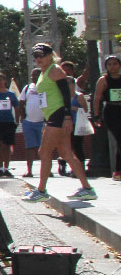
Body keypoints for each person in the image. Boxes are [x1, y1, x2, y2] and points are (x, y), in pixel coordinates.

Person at [22, 43, 96, 202]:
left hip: (59, 115)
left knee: (44, 152)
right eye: (35, 56)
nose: (38, 59)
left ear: (50, 55)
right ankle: (87, 188)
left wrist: (68, 116)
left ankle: (41, 190)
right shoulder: (43, 72)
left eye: (41, 55)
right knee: (66, 153)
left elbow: (66, 94)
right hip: (52, 116)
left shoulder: (55, 70)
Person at [91, 55, 121, 180]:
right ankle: (118, 171)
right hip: (111, 112)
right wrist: (96, 116)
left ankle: (118, 171)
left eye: (115, 63)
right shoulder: (103, 80)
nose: (112, 66)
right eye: (109, 64)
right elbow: (97, 99)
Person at [19, 68, 45, 178]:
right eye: (32, 75)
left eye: (36, 75)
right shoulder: (27, 88)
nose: (33, 77)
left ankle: (46, 170)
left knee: (44, 148)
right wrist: (22, 117)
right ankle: (29, 170)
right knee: (29, 147)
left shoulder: (46, 87)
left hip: (42, 122)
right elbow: (21, 102)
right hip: (29, 122)